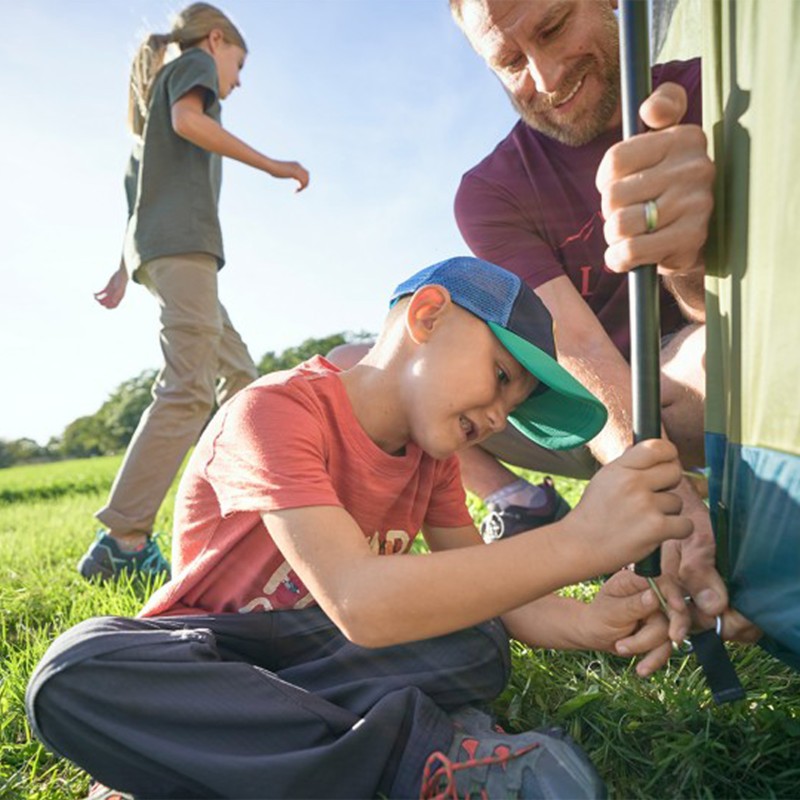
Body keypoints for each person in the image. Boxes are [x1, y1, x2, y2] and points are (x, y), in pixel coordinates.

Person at [27, 257, 692, 800]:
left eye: (512, 407)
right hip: (221, 654)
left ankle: (206, 759)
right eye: (499, 377)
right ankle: (421, 755)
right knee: (76, 669)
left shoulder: (430, 463)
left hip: (326, 665)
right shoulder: (274, 411)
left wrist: (587, 624)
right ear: (427, 314)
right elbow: (360, 603)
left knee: (477, 637)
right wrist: (579, 543)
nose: (496, 418)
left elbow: (496, 598)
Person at [444, 0, 747, 634]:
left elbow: (748, 314)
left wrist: (684, 261)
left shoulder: (716, 88)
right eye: (509, 62)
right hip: (578, 413)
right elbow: (574, 346)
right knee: (360, 369)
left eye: (553, 28)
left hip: (689, 376)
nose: (546, 77)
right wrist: (667, 506)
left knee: (724, 356)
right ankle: (520, 503)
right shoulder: (489, 191)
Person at [82, 3, 310, 582]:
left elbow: (137, 202)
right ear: (217, 40)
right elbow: (192, 121)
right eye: (239, 62)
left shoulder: (149, 111)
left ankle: (247, 511)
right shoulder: (192, 67)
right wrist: (273, 164)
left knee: (242, 380)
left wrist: (121, 270)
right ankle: (124, 540)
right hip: (183, 251)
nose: (237, 79)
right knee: (188, 389)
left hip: (163, 253)